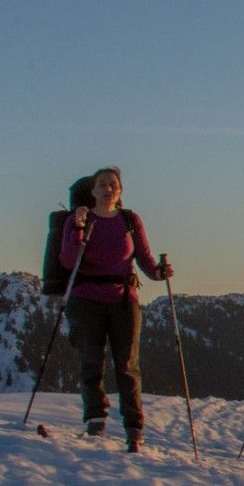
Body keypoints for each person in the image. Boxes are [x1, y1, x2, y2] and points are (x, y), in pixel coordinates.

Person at [59, 166, 172, 453]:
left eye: (113, 184)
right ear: (92, 190)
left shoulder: (130, 220)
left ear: (120, 190)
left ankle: (134, 428)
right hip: (86, 299)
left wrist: (158, 273)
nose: (108, 188)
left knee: (127, 364)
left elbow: (144, 259)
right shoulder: (79, 220)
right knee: (91, 359)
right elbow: (69, 261)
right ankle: (96, 419)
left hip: (124, 299)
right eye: (102, 184)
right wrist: (78, 228)